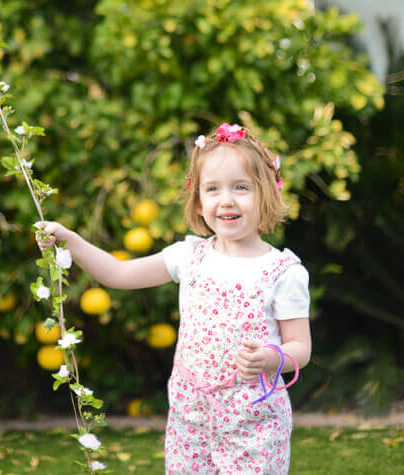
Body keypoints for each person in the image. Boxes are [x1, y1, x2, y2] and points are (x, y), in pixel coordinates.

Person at [36, 123, 311, 474]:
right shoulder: (190, 256)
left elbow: (300, 348)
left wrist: (271, 358)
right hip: (191, 412)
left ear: (267, 193)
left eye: (241, 188)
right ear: (198, 201)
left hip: (252, 418)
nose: (226, 200)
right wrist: (69, 240)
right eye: (213, 189)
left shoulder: (282, 271)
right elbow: (118, 274)